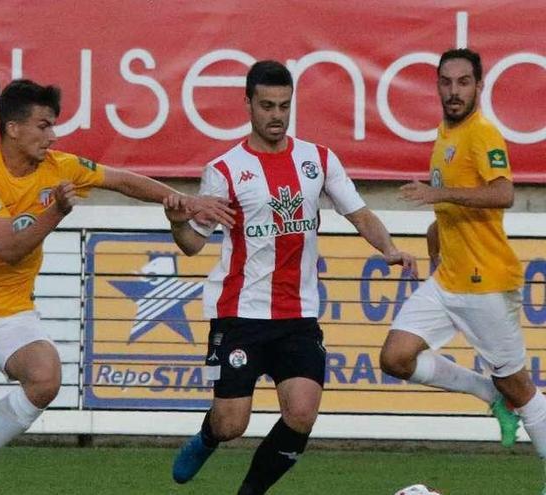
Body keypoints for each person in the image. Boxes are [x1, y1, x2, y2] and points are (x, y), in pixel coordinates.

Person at [0, 79, 233, 495]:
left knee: (44, 377)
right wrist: (56, 212)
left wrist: (185, 201)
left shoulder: (59, 165)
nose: (51, 136)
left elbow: (121, 180)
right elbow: (7, 249)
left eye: (53, 126)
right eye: (43, 126)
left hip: (12, 312)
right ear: (13, 129)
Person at [164, 60, 417, 495]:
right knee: (231, 424)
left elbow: (358, 212)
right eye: (266, 105)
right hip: (239, 314)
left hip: (298, 314)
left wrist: (389, 248)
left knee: (301, 413)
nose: (276, 115)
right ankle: (209, 436)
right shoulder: (224, 170)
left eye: (284, 105)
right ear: (248, 105)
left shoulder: (317, 159)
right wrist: (174, 221)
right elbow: (192, 245)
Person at [380, 48, 546, 491]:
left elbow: (504, 194)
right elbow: (450, 204)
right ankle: (487, 393)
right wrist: (436, 239)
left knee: (522, 390)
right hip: (448, 277)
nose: (454, 92)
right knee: (395, 357)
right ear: (436, 86)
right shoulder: (444, 135)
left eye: (463, 82)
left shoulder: (483, 135)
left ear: (479, 86)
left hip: (485, 282)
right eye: (446, 83)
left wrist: (440, 197)